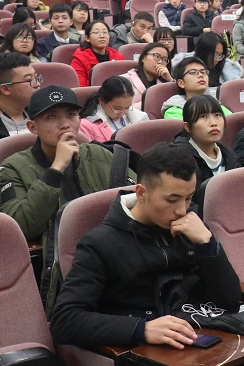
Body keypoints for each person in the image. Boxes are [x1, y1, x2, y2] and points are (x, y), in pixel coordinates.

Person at [48, 144, 244, 366]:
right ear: (141, 193)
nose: (181, 210)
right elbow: (65, 320)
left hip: (211, 335)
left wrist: (208, 244)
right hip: (159, 352)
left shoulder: (191, 226)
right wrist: (141, 328)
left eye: (188, 198)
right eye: (171, 200)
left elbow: (229, 299)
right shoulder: (100, 243)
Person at [0, 85, 134, 308]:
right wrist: (57, 168)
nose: (65, 124)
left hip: (116, 260)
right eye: (51, 117)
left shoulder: (100, 155)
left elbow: (140, 198)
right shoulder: (12, 168)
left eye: (71, 115)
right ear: (32, 127)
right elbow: (22, 227)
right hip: (61, 274)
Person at [171, 95, 240, 196]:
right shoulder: (179, 159)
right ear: (187, 127)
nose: (213, 123)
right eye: (203, 117)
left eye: (217, 115)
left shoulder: (230, 156)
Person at [78, 76, 149, 142]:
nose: (122, 113)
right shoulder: (86, 126)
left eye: (127, 107)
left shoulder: (140, 118)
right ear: (101, 101)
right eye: (117, 108)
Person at [162, 57, 233, 120]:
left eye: (203, 72)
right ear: (181, 83)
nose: (200, 75)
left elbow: (232, 124)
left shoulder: (216, 105)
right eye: (193, 72)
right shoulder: (174, 111)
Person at [71, 21, 123, 87]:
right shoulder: (80, 59)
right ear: (87, 38)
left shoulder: (118, 56)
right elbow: (81, 87)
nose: (102, 36)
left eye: (105, 32)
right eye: (96, 32)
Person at [0, 52, 40, 138]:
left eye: (36, 77)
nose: (37, 84)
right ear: (5, 89)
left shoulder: (42, 112)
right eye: (29, 80)